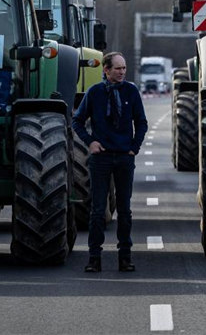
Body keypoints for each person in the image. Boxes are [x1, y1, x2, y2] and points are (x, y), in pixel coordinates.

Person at [72, 52, 148, 273]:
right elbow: (77, 120)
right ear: (106, 70)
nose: (122, 72)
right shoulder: (95, 93)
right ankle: (94, 258)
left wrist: (134, 147)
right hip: (101, 158)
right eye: (117, 68)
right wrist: (90, 142)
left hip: (124, 157)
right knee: (97, 211)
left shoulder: (131, 91)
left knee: (124, 210)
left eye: (124, 68)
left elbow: (141, 122)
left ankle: (125, 257)